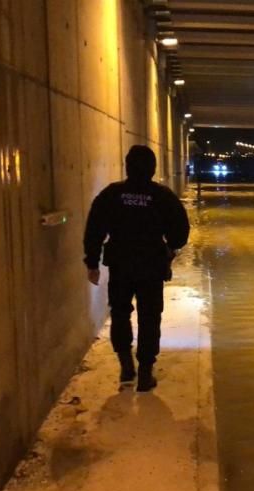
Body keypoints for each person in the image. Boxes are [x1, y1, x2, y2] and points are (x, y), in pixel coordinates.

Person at [83, 145, 190, 391]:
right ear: (152, 169)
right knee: (150, 317)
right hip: (151, 266)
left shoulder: (112, 194)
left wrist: (92, 262)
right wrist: (170, 249)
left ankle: (125, 367)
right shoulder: (162, 196)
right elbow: (181, 232)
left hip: (120, 265)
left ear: (127, 166)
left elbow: (94, 229)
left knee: (120, 313)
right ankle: (144, 372)